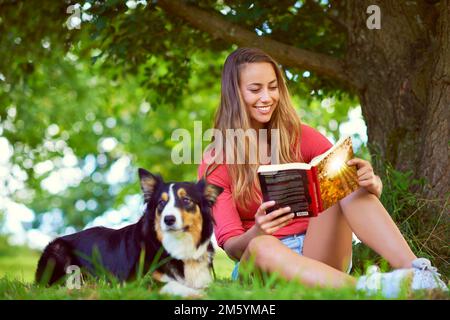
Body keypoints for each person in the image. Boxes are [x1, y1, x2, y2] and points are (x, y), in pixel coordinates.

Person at [197, 47, 447, 298]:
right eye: (255, 89)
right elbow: (232, 248)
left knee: (343, 182)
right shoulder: (216, 161)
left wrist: (370, 183)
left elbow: (350, 192)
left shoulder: (301, 136)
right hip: (263, 261)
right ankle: (370, 289)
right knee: (262, 245)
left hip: (318, 251)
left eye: (273, 87)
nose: (267, 97)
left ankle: (420, 274)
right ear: (235, 93)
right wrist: (259, 230)